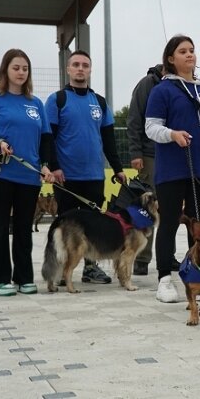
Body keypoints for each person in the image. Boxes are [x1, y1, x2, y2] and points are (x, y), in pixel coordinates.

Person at [145, 34, 200, 303]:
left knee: (198, 226)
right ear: (171, 58)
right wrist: (172, 134)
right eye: (183, 51)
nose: (190, 55)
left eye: (192, 50)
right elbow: (151, 127)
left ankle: (197, 276)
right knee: (168, 222)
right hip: (171, 170)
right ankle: (165, 279)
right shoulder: (162, 90)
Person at [0, 48, 58, 297]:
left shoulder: (36, 103)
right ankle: (0, 279)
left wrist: (44, 164)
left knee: (24, 227)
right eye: (16, 68)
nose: (21, 72)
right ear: (5, 70)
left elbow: (45, 138)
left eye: (25, 68)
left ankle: (24, 277)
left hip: (28, 175)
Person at [45, 50, 126, 285]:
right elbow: (49, 138)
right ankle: (61, 271)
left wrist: (118, 168)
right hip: (66, 177)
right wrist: (54, 167)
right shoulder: (57, 99)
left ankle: (91, 269)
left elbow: (109, 140)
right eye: (76, 65)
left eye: (85, 65)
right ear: (68, 69)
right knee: (67, 226)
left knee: (94, 227)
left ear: (90, 70)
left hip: (94, 176)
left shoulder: (99, 102)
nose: (81, 69)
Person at [126, 64, 163, 275]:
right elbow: (133, 119)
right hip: (150, 154)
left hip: (174, 155)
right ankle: (142, 258)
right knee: (148, 206)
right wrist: (136, 153)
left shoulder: (181, 84)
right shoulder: (148, 83)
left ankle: (169, 255)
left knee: (170, 208)